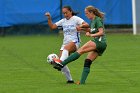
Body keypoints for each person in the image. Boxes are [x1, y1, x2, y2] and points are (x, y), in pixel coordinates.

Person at [53, 5, 107, 84]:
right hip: (103, 45)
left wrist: (91, 35)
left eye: (87, 13)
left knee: (80, 51)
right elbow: (91, 30)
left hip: (99, 42)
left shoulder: (97, 20)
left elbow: (101, 32)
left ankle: (61, 63)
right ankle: (82, 82)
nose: (86, 15)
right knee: (87, 61)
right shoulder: (93, 21)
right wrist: (81, 29)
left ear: (91, 12)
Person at [45, 6, 89, 84]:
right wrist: (49, 18)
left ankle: (61, 63)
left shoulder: (76, 19)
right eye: (63, 13)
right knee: (62, 62)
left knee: (61, 60)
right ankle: (70, 80)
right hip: (65, 43)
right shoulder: (63, 21)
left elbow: (86, 24)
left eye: (66, 12)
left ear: (70, 11)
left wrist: (80, 26)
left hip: (75, 42)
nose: (65, 14)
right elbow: (52, 27)